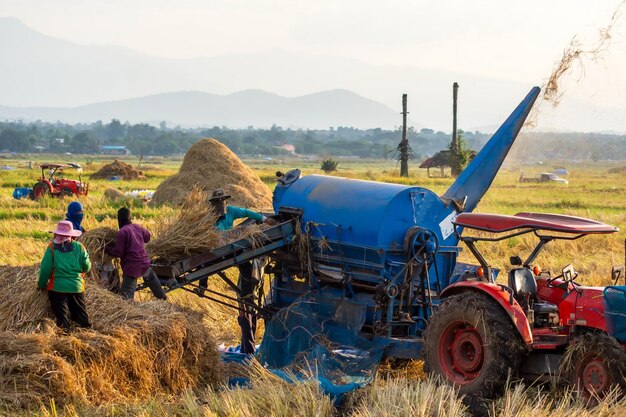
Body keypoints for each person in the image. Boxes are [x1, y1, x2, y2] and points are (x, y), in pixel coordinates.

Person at [197, 189, 274, 354]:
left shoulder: (231, 211)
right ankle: (203, 284)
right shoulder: (208, 217)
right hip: (217, 249)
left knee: (244, 263)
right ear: (212, 204)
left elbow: (247, 212)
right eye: (216, 202)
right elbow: (205, 235)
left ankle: (246, 293)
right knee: (203, 262)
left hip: (232, 248)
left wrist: (265, 219)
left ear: (225, 202)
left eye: (221, 201)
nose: (219, 205)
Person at [38, 220, 92, 331]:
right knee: (81, 316)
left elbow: (45, 270)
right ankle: (85, 334)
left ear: (56, 234)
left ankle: (65, 335)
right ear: (71, 235)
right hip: (76, 287)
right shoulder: (80, 247)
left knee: (62, 318)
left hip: (57, 289)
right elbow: (87, 266)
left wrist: (41, 284)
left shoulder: (52, 248)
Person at [105, 207, 167, 301]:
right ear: (130, 218)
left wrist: (106, 249)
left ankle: (127, 310)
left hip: (132, 267)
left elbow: (118, 252)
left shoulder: (122, 232)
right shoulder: (137, 227)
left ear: (119, 219)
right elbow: (147, 237)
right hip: (144, 262)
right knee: (151, 278)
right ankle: (162, 297)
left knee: (127, 294)